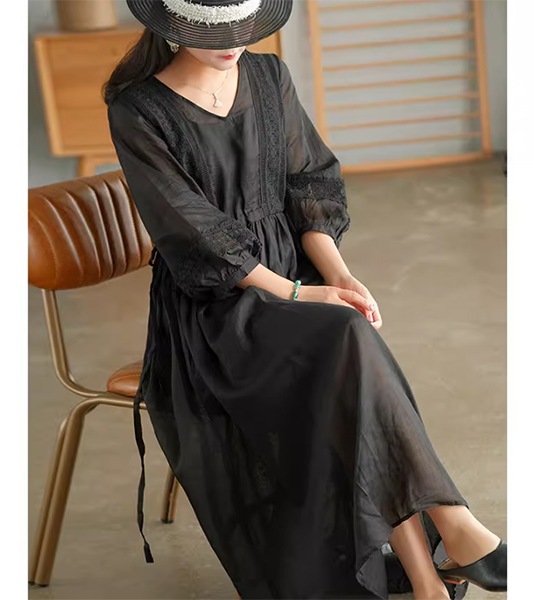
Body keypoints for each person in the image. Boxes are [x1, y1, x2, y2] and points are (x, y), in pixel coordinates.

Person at [104, 1, 507, 599]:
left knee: (348, 353)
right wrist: (301, 292)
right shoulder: (138, 108)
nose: (233, 43)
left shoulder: (269, 77)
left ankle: (430, 578)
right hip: (217, 309)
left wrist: (339, 277)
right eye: (214, 32)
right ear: (173, 26)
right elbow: (197, 235)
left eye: (241, 28)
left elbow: (310, 184)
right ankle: (452, 530)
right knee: (346, 344)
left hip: (295, 276)